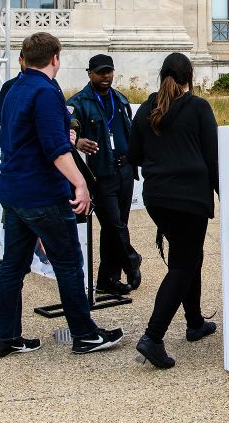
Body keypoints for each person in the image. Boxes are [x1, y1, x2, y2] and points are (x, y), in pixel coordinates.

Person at [0, 32, 123, 359]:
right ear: (55, 59)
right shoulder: (45, 92)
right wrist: (80, 184)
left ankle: (5, 337)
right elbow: (57, 150)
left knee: (13, 266)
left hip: (14, 191)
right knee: (68, 261)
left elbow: (31, 136)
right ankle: (85, 333)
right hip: (42, 193)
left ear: (25, 58)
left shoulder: (14, 89)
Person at [129, 53, 220, 369]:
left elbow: (134, 155)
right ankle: (153, 337)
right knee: (183, 263)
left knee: (190, 255)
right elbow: (212, 159)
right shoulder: (197, 108)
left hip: (156, 197)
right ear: (190, 78)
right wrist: (227, 196)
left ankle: (195, 322)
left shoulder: (146, 108)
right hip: (188, 198)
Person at [68, 54, 142, 295]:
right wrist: (77, 142)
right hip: (100, 173)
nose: (106, 76)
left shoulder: (120, 99)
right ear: (89, 73)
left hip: (124, 169)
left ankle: (108, 279)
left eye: (109, 71)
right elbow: (64, 134)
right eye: (100, 72)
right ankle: (131, 260)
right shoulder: (79, 103)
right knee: (113, 224)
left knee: (117, 226)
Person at [0, 54, 26, 126]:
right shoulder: (8, 86)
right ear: (21, 60)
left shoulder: (50, 84)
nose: (31, 66)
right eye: (28, 61)